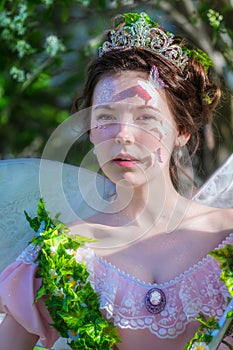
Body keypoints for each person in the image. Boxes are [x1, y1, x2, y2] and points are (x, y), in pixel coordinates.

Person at [0, 11, 232, 350]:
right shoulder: (60, 253)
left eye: (145, 118)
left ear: (181, 130)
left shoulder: (227, 236)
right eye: (106, 118)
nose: (123, 135)